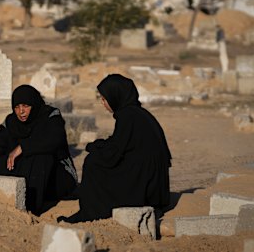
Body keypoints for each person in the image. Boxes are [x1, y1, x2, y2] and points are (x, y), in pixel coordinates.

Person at [59, 74, 171, 223]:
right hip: (153, 181)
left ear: (116, 97)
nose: (102, 103)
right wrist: (99, 146)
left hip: (144, 177)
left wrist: (94, 148)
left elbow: (113, 155)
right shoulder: (138, 113)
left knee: (93, 162)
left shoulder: (128, 116)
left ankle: (92, 211)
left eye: (105, 99)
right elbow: (122, 144)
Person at [0, 85, 77, 215]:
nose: (21, 112)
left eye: (25, 106)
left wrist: (23, 147)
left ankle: (30, 208)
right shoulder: (11, 122)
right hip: (27, 172)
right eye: (17, 107)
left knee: (41, 156)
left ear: (34, 104)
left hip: (57, 177)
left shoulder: (50, 116)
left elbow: (54, 140)